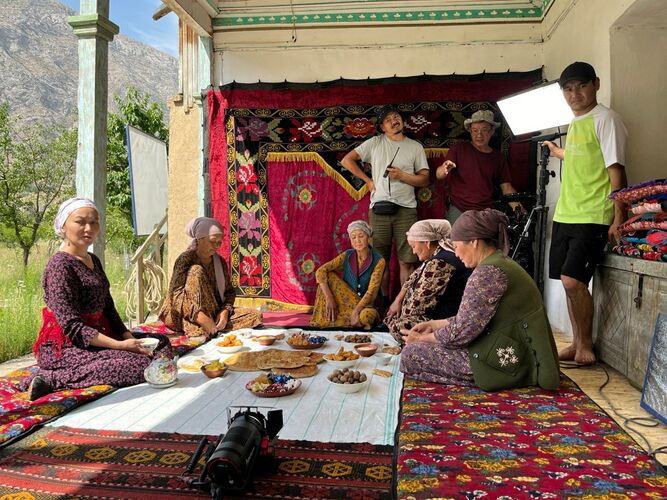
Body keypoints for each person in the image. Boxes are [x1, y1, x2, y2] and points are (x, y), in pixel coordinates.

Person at [24, 197, 173, 401]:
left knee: (161, 344)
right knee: (139, 365)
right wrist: (120, 346)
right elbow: (72, 327)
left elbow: (108, 307)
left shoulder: (93, 259)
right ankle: (51, 379)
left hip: (99, 335)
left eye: (94, 222)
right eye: (80, 222)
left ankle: (114, 359)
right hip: (67, 346)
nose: (89, 228)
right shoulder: (60, 266)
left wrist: (129, 338)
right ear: (63, 226)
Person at [399, 209, 560, 391]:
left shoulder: (488, 273)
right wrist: (434, 325)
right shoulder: (499, 264)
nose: (456, 254)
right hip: (517, 348)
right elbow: (473, 318)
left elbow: (462, 332)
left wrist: (423, 339)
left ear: (474, 242)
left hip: (511, 360)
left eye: (456, 246)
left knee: (411, 353)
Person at [543, 62, 628, 366]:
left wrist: (619, 216)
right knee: (566, 282)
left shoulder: (607, 119)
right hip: (566, 212)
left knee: (572, 280)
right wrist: (558, 153)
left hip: (592, 214)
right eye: (568, 89)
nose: (574, 93)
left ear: (596, 84)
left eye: (581, 86)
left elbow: (615, 169)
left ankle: (586, 345)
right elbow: (584, 155)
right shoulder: (577, 122)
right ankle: (576, 342)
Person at [341, 105, 430, 296]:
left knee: (407, 261)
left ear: (402, 120)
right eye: (388, 120)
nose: (393, 121)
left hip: (406, 209)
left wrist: (402, 176)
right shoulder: (375, 143)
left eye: (396, 117)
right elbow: (347, 160)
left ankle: (403, 305)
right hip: (379, 210)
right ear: (382, 127)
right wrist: (368, 181)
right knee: (379, 262)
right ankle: (383, 305)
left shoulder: (415, 147)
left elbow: (424, 180)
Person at [159, 217, 262, 339]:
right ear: (199, 239)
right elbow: (176, 296)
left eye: (219, 243)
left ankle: (213, 326)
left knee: (255, 316)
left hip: (212, 312)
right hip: (182, 314)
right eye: (213, 241)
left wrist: (224, 312)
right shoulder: (185, 259)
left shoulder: (220, 262)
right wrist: (201, 317)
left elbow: (229, 292)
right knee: (196, 271)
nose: (216, 246)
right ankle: (201, 326)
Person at [385, 219, 471, 342]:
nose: (413, 251)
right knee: (394, 318)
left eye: (414, 246)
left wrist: (400, 317)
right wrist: (398, 300)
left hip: (446, 319)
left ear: (427, 243)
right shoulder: (436, 256)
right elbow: (412, 278)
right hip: (437, 314)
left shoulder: (441, 263)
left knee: (398, 327)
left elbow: (417, 304)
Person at [435, 110, 522, 224]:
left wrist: (521, 211)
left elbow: (506, 187)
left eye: (484, 130)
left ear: (492, 131)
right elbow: (439, 174)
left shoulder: (498, 158)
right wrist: (444, 169)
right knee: (456, 236)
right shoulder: (459, 148)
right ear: (470, 131)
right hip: (458, 208)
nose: (479, 135)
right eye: (475, 130)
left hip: (485, 211)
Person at [309, 220, 385, 329]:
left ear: (368, 238)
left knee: (367, 317)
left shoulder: (379, 260)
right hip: (346, 302)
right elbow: (321, 270)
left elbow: (371, 293)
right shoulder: (347, 255)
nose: (357, 240)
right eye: (353, 237)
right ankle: (346, 320)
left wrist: (355, 312)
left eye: (361, 236)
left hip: (365, 306)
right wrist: (329, 298)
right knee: (327, 275)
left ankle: (345, 320)